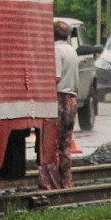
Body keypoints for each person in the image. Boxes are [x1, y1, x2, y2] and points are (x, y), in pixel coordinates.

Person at [39, 19, 80, 190]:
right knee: (65, 144)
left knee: (51, 144)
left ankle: (50, 184)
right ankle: (66, 182)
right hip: (72, 99)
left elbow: (55, 78)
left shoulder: (55, 51)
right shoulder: (71, 50)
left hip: (59, 99)